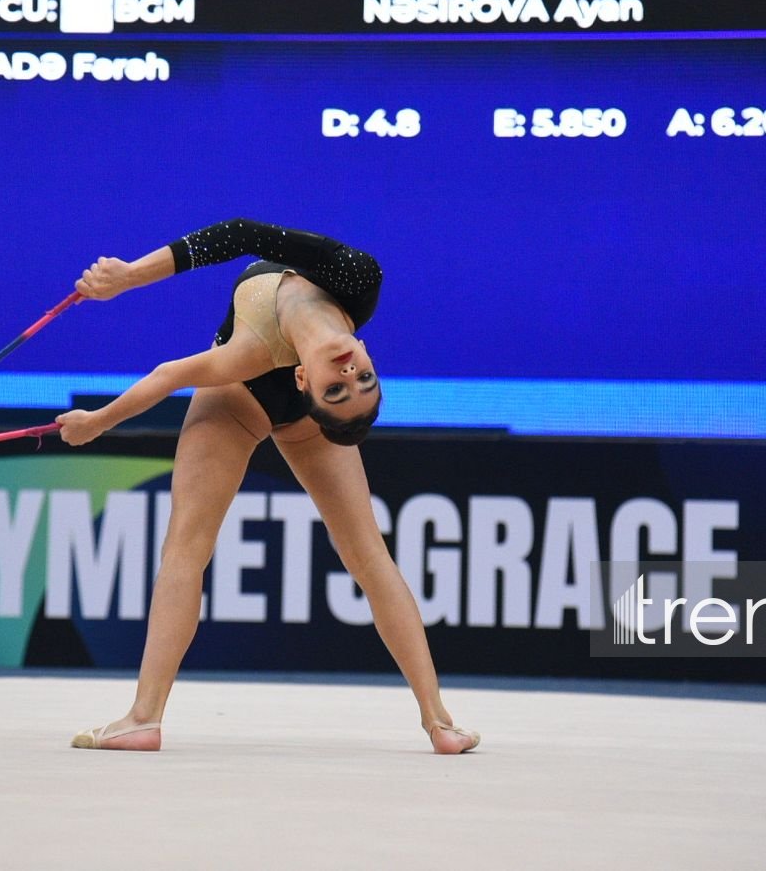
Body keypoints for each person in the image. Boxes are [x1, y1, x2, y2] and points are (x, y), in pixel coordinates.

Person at [55, 219, 480, 754]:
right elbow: (241, 233)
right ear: (369, 355)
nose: (349, 373)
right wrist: (129, 276)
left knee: (368, 555)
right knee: (189, 545)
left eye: (338, 388)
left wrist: (97, 422)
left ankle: (439, 721)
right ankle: (145, 717)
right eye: (363, 379)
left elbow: (168, 375)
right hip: (241, 400)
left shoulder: (250, 353)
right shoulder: (355, 276)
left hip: (247, 392)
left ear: (305, 383)